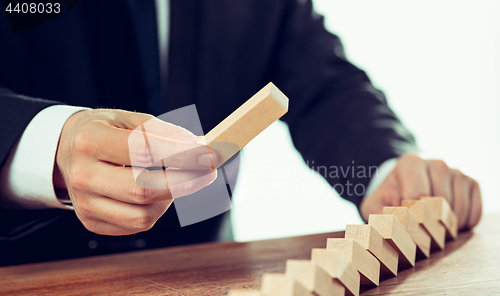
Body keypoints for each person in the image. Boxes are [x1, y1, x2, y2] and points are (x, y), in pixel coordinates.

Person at [0, 0, 481, 266]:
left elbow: (320, 83)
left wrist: (383, 172)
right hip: (21, 275)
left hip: (204, 272)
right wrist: (44, 146)